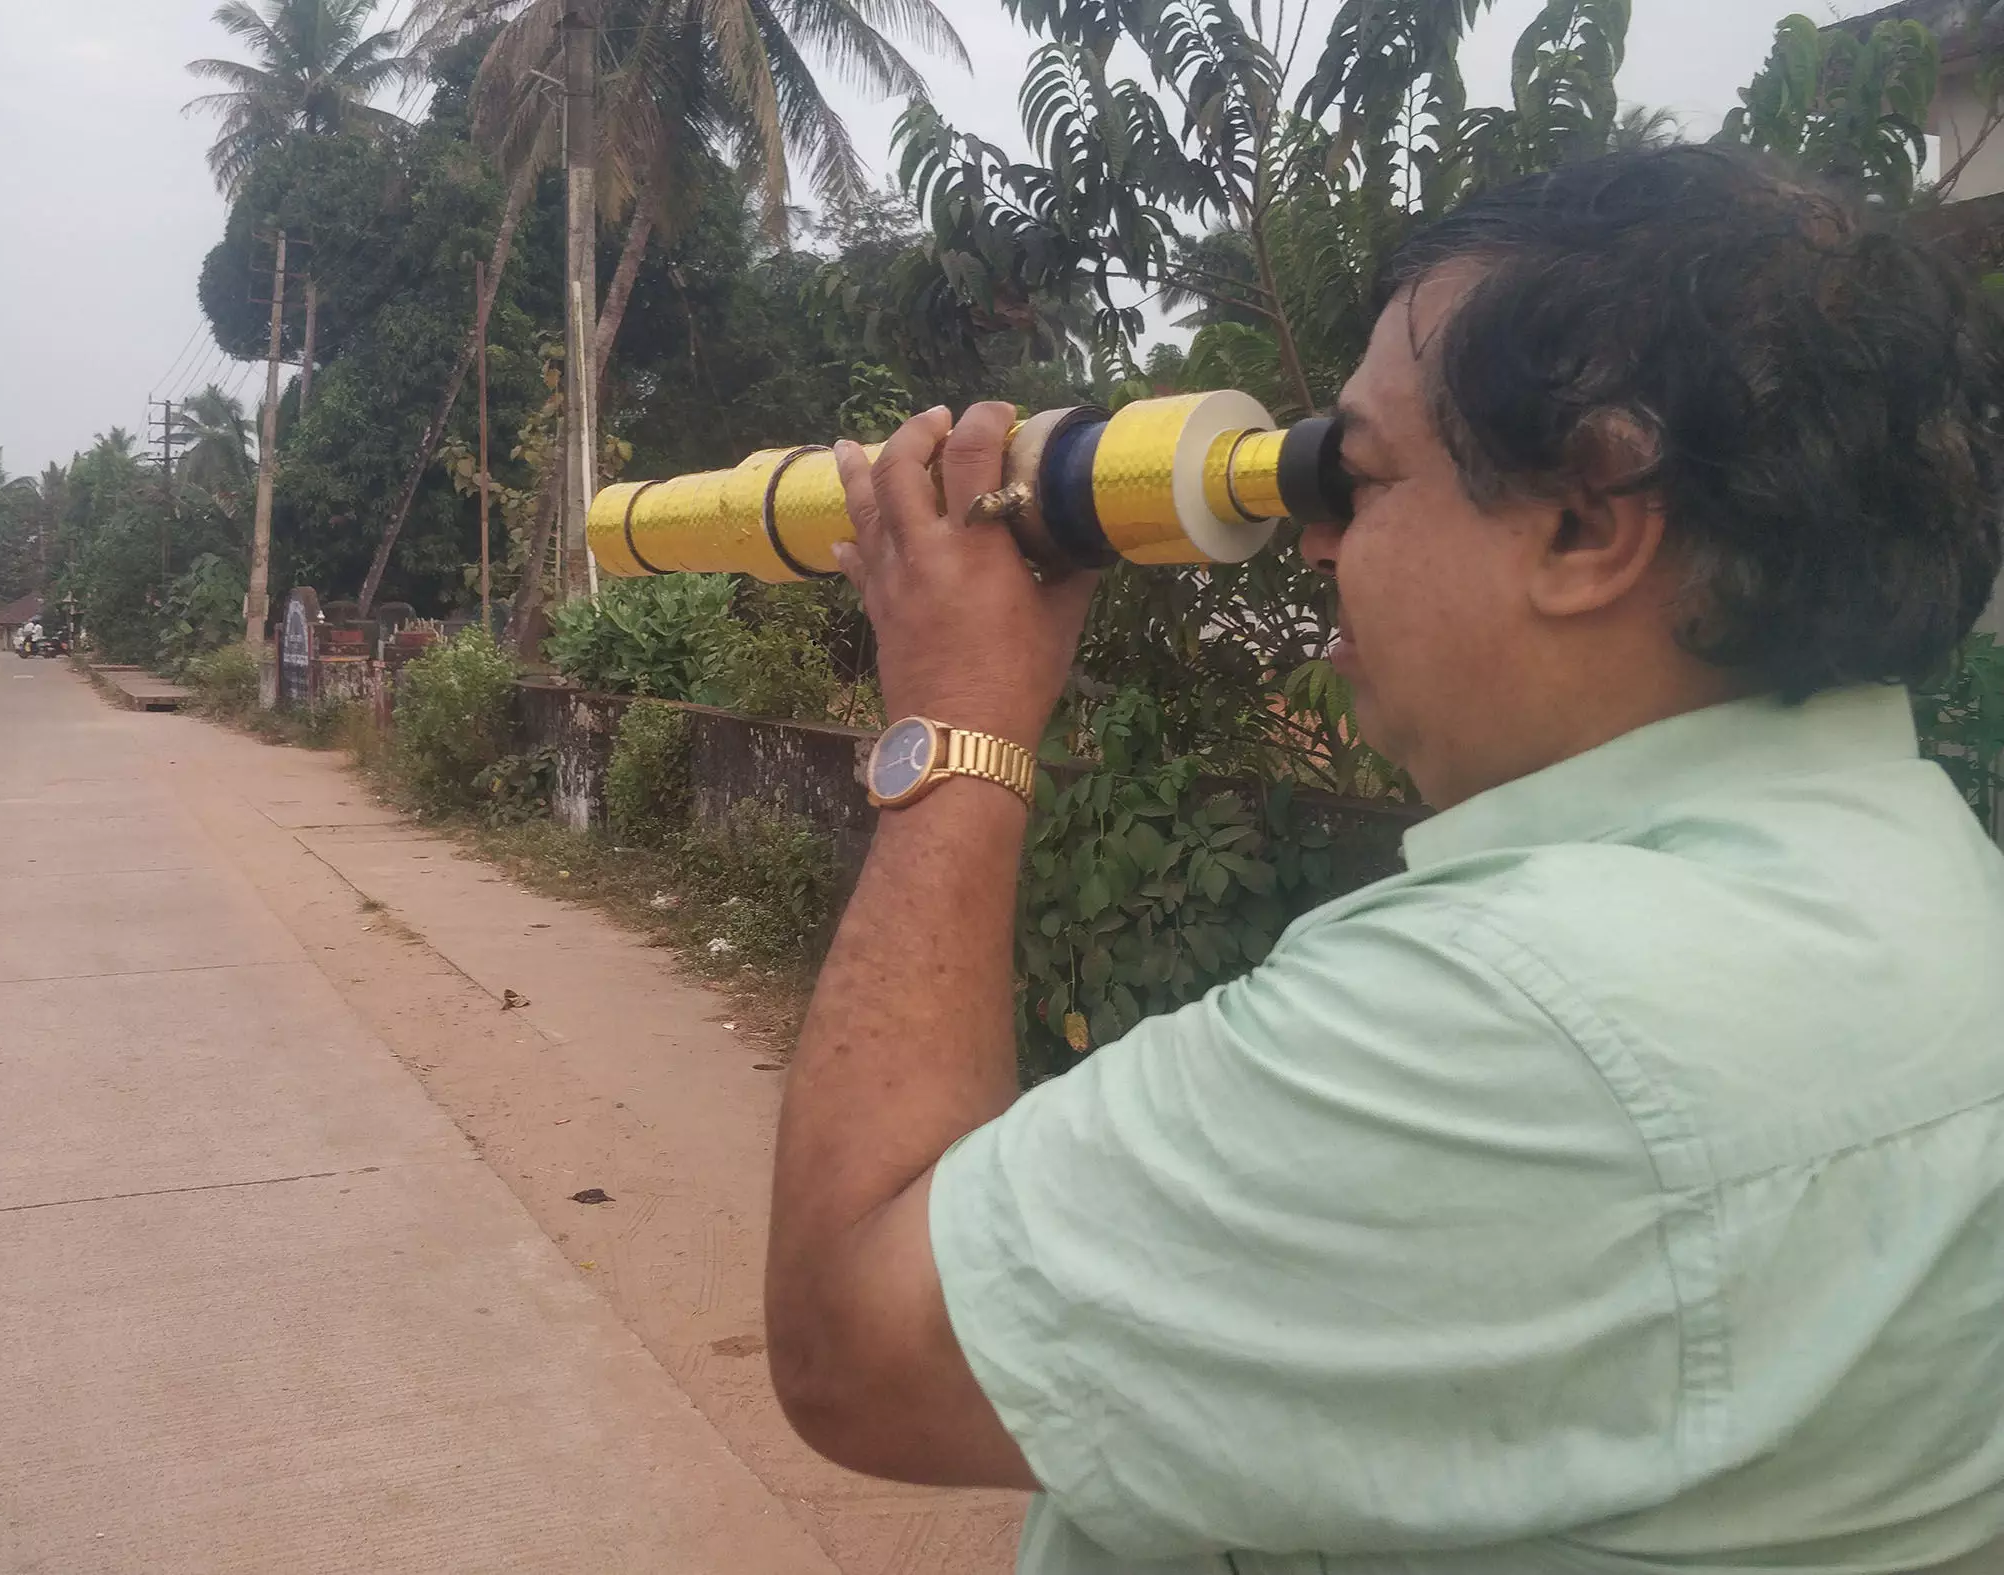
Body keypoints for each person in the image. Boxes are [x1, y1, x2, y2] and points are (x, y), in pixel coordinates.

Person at [764, 144, 2004, 1570]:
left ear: (1587, 521)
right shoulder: (1937, 890)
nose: (1313, 540)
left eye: (1355, 475)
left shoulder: (1519, 1017)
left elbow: (855, 1335)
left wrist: (956, 720)